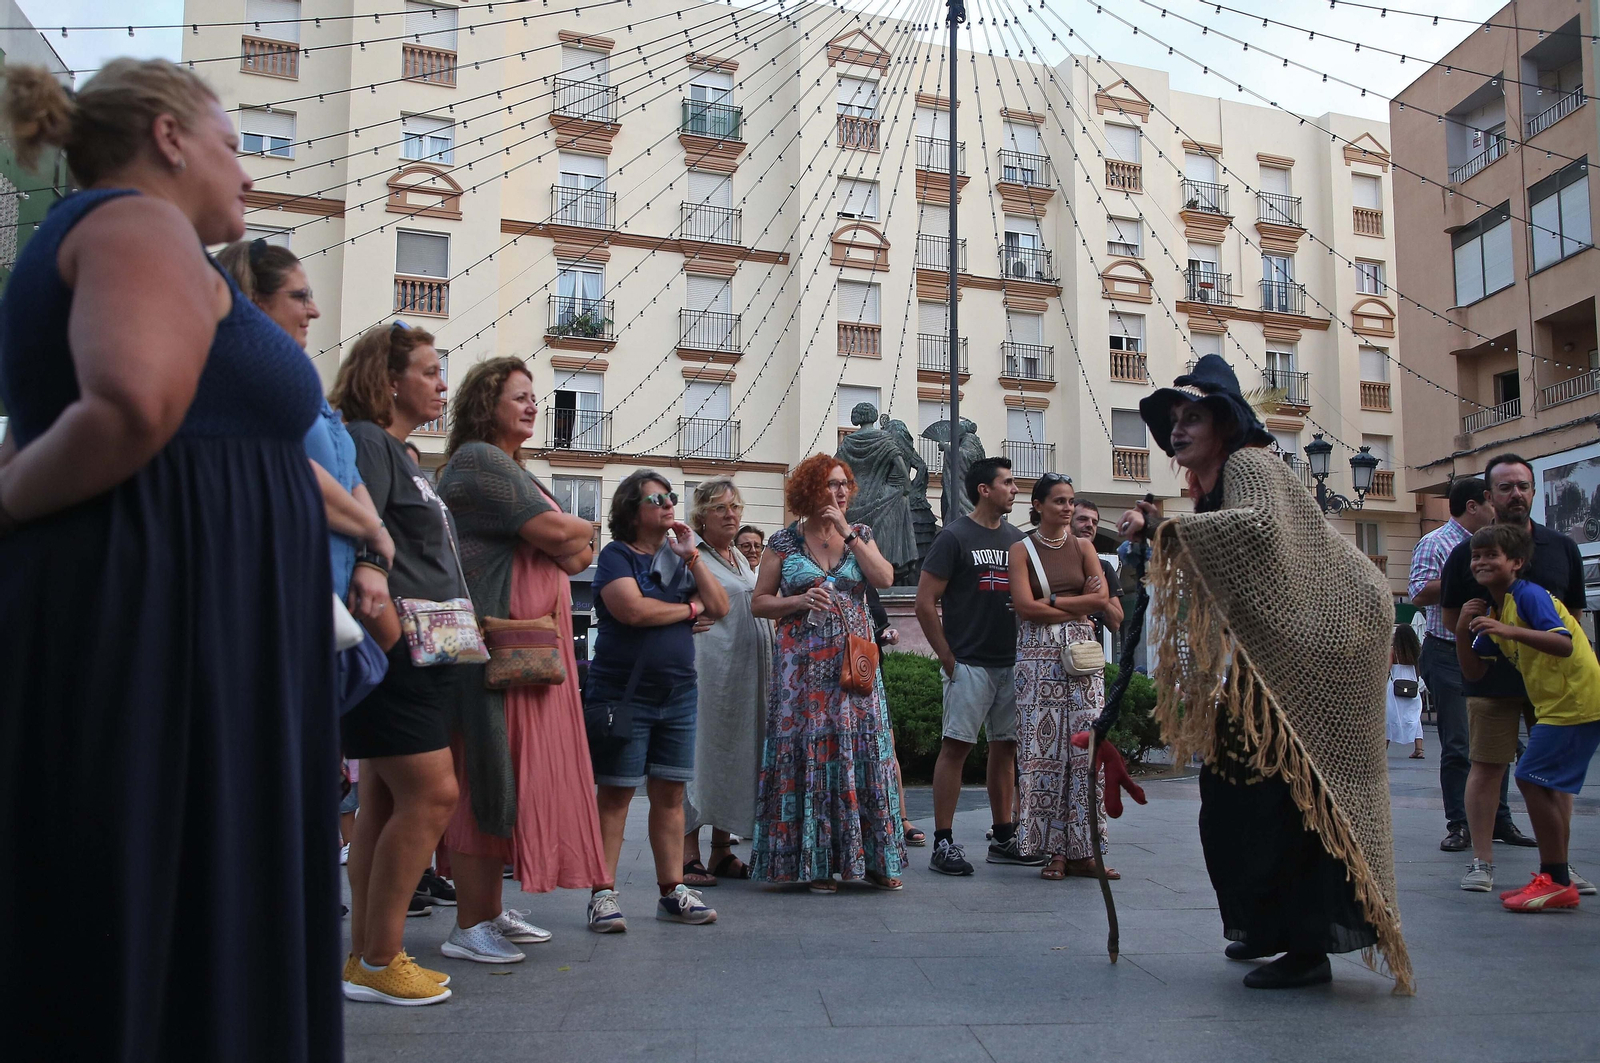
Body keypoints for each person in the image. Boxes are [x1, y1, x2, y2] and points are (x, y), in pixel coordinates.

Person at [0, 59, 342, 1057]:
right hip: (162, 617)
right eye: (236, 144)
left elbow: (49, 419)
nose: (248, 173)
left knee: (159, 892)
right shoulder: (137, 223)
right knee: (167, 891)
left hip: (180, 610)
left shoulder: (114, 233)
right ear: (167, 137)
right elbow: (128, 405)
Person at [1119, 355, 1412, 993]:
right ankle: (1261, 925)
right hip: (1284, 656)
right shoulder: (1215, 483)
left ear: (1224, 424)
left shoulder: (1251, 464)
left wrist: (1167, 528)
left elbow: (1254, 531)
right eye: (1173, 421)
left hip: (1326, 648)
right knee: (1232, 794)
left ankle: (1306, 947)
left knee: (1286, 799)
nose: (1177, 431)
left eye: (1191, 417)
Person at [435, 357, 607, 962]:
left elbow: (577, 555)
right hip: (496, 650)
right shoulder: (479, 461)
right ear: (487, 404)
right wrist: (573, 529)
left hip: (527, 652)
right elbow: (566, 540)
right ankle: (469, 924)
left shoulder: (514, 469)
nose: (534, 405)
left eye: (535, 397)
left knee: (509, 772)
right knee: (488, 772)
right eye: (520, 397)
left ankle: (485, 911)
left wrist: (570, 533)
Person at [331, 321, 463, 1005]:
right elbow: (365, 541)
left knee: (384, 797)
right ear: (389, 380)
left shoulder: (398, 449)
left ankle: (368, 956)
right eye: (429, 370)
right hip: (404, 649)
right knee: (434, 792)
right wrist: (387, 647)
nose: (442, 382)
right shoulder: (369, 441)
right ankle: (381, 957)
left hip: (421, 648)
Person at [749, 454, 906, 891]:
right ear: (808, 491)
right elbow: (759, 602)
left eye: (843, 485)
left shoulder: (861, 534)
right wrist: (798, 602)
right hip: (802, 668)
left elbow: (886, 578)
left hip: (854, 663)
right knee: (813, 751)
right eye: (829, 485)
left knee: (864, 750)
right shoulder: (783, 542)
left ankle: (872, 859)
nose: (838, 492)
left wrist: (849, 533)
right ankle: (818, 864)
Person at [586, 470, 729, 931]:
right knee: (616, 796)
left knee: (670, 796)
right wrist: (688, 612)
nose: (669, 504)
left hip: (679, 693)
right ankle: (602, 893)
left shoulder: (676, 557)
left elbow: (722, 607)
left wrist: (694, 560)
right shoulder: (615, 557)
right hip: (624, 694)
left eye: (671, 497)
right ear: (632, 511)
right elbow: (631, 610)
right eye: (657, 499)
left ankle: (672, 891)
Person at [1440, 454, 1588, 895]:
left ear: (1534, 491)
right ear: (1488, 496)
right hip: (1492, 679)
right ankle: (1482, 862)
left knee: (1554, 779)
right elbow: (1453, 620)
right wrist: (1479, 638)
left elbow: (1572, 620)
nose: (1515, 494)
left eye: (1522, 485)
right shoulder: (1469, 553)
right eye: (1505, 487)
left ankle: (1559, 863)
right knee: (1486, 766)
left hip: (1553, 688)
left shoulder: (1561, 547)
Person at [1455, 523, 1600, 912]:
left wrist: (1510, 630)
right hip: (1558, 705)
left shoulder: (1528, 595)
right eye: (1477, 556)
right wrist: (1460, 631)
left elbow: (1564, 643)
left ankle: (1556, 880)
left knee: (1531, 777)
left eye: (1492, 555)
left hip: (1576, 700)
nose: (1482, 561)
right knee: (1537, 781)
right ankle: (1555, 878)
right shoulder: (1497, 608)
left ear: (1517, 563)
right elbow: (1474, 673)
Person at [915, 456, 1033, 876]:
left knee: (1006, 750)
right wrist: (948, 657)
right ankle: (942, 842)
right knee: (956, 748)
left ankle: (1003, 836)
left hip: (1011, 661)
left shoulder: (1019, 540)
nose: (1015, 490)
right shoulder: (954, 537)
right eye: (1008, 482)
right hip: (969, 662)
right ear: (985, 489)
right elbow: (925, 602)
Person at [1009, 474, 1113, 881]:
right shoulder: (1021, 549)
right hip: (1038, 660)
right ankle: (1053, 850)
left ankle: (1086, 851)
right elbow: (1024, 607)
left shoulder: (1085, 546)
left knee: (1086, 751)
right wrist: (1073, 606)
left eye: (1071, 501)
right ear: (1037, 505)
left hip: (1083, 659)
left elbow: (1101, 599)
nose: (1068, 508)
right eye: (1059, 502)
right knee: (1044, 754)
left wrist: (1050, 601)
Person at [681, 478, 772, 887]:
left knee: (734, 755)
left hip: (745, 674)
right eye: (720, 508)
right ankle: (687, 855)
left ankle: (721, 851)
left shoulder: (738, 556)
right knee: (701, 754)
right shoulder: (688, 554)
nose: (731, 514)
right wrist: (686, 613)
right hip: (708, 670)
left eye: (735, 507)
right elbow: (669, 599)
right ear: (701, 516)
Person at [1407, 476, 1500, 852]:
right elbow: (1416, 592)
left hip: (1489, 651)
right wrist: (1466, 578)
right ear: (1473, 506)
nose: (1496, 510)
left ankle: (1499, 820)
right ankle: (1460, 823)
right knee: (1459, 742)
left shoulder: (1493, 541)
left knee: (1495, 743)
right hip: (1447, 651)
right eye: (1490, 503)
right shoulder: (1436, 542)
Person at [1070, 497, 1123, 637]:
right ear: (1067, 521)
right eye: (1082, 519)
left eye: (1094, 522)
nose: (1090, 525)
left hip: (1088, 654)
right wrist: (1085, 599)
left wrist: (1100, 598)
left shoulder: (1103, 568)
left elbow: (1116, 624)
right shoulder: (1052, 560)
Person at [1387, 625, 1426, 758]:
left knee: (1390, 717)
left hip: (1395, 688)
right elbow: (1420, 668)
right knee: (1414, 718)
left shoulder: (1393, 651)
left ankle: (1383, 750)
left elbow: (1387, 668)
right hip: (1412, 687)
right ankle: (1419, 749)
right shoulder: (1416, 650)